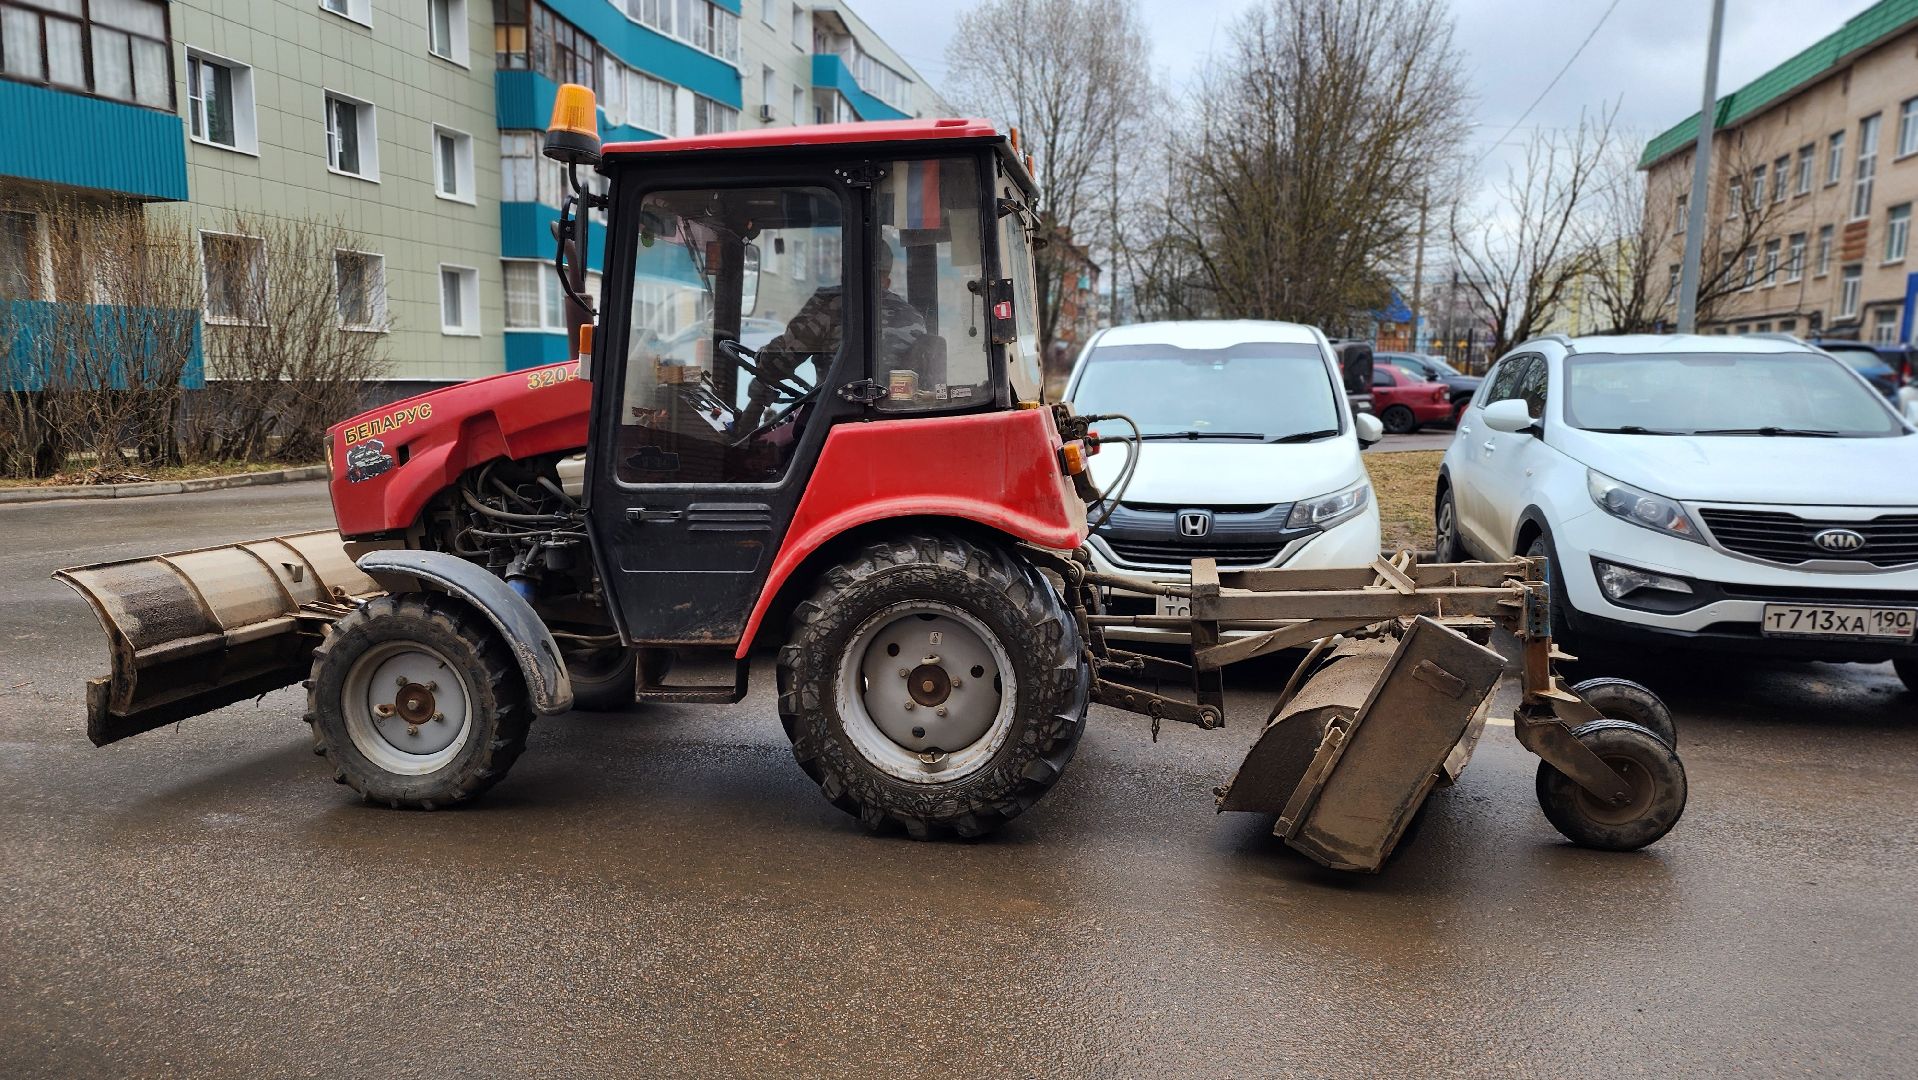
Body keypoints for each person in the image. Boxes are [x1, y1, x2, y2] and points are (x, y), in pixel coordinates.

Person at [738, 239, 926, 430]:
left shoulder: (831, 304)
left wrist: (763, 357)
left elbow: (778, 361)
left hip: (833, 418)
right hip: (892, 420)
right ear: (887, 281)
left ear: (846, 274)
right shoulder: (913, 316)